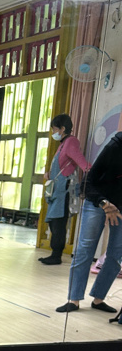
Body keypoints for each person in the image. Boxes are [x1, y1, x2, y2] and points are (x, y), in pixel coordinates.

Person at [56, 130, 122, 314]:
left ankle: (99, 299)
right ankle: (74, 299)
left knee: (116, 254)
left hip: (120, 206)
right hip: (97, 200)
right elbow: (88, 182)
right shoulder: (115, 146)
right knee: (85, 249)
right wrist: (103, 203)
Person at [40, 114, 91, 266]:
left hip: (64, 191)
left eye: (55, 129)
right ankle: (54, 253)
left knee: (58, 223)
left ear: (62, 129)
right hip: (57, 190)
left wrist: (93, 175)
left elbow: (83, 164)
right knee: (54, 222)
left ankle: (56, 255)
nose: (53, 132)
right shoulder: (63, 144)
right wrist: (49, 174)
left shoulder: (71, 142)